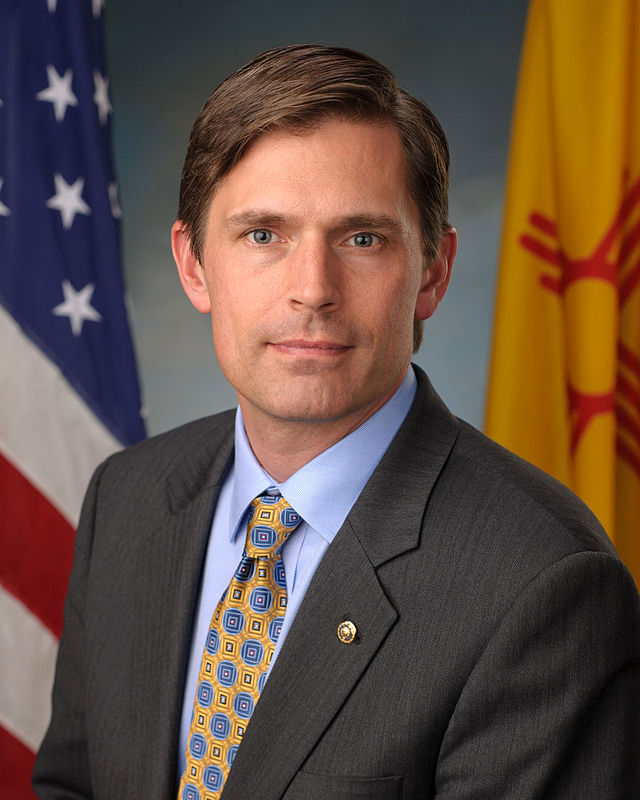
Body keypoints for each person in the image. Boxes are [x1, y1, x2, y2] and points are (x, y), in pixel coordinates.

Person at [33, 44, 640, 800]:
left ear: (433, 271)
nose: (312, 290)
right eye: (264, 235)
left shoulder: (543, 585)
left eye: (362, 239)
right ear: (194, 266)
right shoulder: (126, 498)